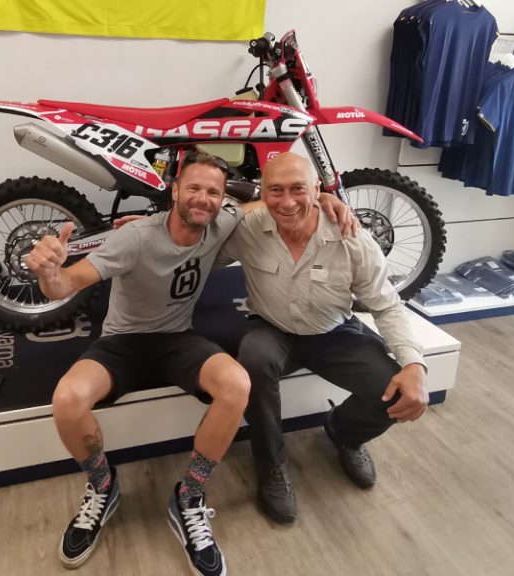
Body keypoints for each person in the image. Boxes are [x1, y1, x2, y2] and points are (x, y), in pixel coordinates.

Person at [25, 151, 354, 575]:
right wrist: (49, 272)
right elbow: (64, 285)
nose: (203, 198)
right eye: (194, 188)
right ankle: (103, 486)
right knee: (67, 399)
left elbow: (269, 203)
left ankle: (190, 493)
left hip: (177, 340)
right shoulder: (136, 237)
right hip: (123, 343)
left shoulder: (220, 222)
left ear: (221, 200)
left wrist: (324, 199)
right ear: (175, 191)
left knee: (237, 383)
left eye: (213, 192)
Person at [216, 152, 429, 524]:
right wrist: (152, 229)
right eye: (275, 191)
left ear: (317, 189)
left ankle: (344, 434)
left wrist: (413, 363)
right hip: (271, 328)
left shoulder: (352, 237)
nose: (287, 202)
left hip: (334, 332)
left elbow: (386, 304)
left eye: (298, 189)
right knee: (253, 361)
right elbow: (200, 245)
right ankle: (271, 465)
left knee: (392, 390)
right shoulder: (249, 229)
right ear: (262, 192)